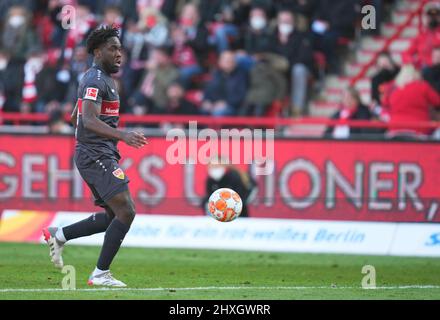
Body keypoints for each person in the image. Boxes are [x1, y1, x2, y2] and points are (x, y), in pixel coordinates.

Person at [42, 26, 148, 287]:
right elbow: (87, 120)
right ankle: (100, 274)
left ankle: (60, 234)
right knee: (126, 211)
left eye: (120, 48)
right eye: (113, 48)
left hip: (99, 152)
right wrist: (122, 135)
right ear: (98, 51)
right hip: (95, 153)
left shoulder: (101, 79)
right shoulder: (95, 79)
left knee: (115, 215)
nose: (119, 53)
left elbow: (77, 116)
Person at [384, 64, 440, 139]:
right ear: (416, 75)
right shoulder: (422, 86)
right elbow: (437, 101)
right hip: (418, 128)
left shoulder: (394, 90)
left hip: (394, 128)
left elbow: (386, 105)